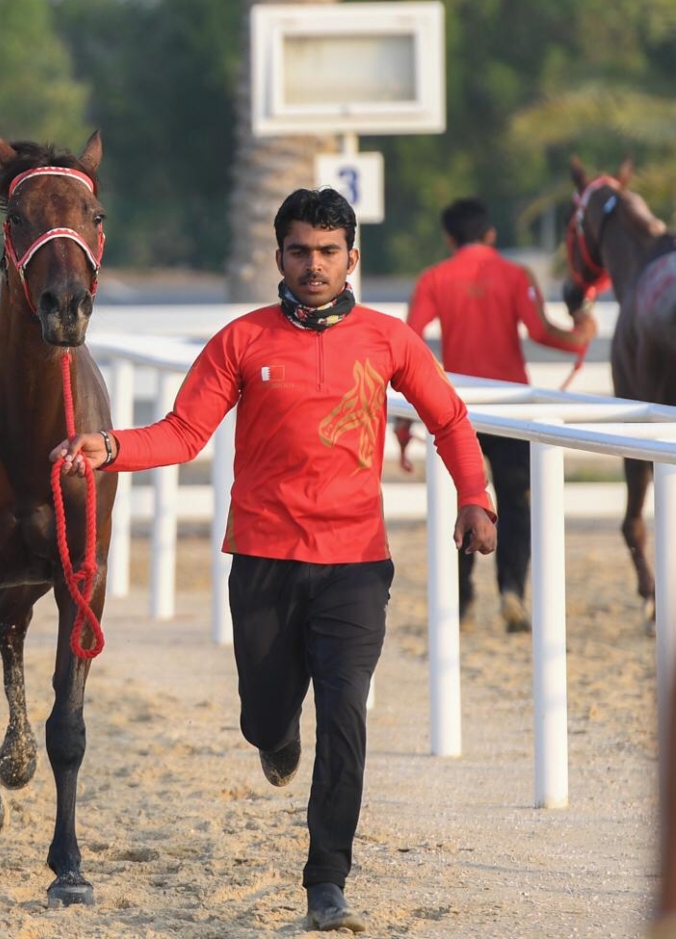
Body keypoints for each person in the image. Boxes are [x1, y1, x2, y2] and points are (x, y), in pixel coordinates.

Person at [50, 187, 497, 933]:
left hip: (356, 564)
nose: (314, 265)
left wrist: (475, 497)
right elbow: (185, 431)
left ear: (352, 257)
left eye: (328, 252)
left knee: (347, 714)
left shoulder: (389, 341)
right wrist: (112, 449)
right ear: (279, 257)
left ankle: (327, 883)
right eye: (299, 251)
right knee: (265, 719)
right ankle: (275, 736)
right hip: (262, 561)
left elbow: (448, 417)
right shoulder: (242, 340)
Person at [396, 197, 596, 634]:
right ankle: (511, 591)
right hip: (510, 408)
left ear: (450, 238)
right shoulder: (514, 275)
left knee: (465, 501)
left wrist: (403, 421)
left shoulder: (434, 278)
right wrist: (580, 335)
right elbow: (541, 331)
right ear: (490, 234)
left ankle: (462, 600)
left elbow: (409, 346)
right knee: (515, 503)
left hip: (455, 409)